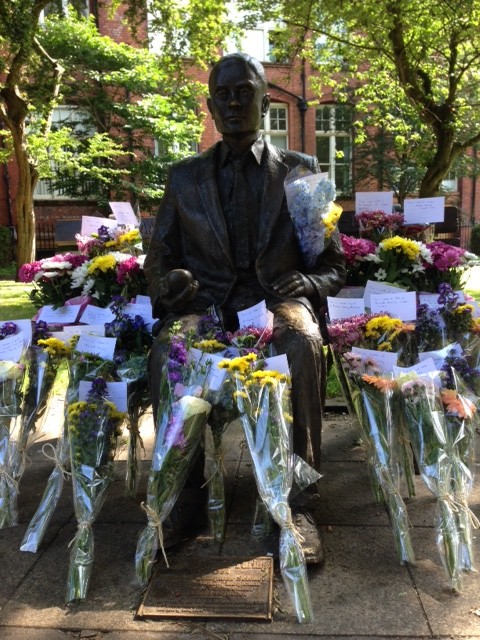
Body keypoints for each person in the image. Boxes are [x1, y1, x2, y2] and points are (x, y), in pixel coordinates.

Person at [144, 52, 346, 563]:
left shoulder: (301, 172)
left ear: (264, 97)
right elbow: (159, 255)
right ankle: (183, 495)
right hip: (206, 304)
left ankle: (298, 503)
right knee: (168, 349)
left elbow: (334, 264)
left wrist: (308, 280)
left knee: (300, 342)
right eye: (223, 94)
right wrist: (168, 284)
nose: (234, 102)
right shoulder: (184, 176)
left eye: (244, 92)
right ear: (211, 105)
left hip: (275, 300)